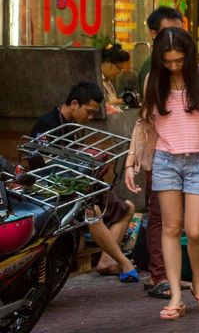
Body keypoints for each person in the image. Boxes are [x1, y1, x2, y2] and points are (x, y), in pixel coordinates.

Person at [124, 28, 199, 320]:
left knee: (195, 230)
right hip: (165, 160)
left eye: (178, 60)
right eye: (167, 61)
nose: (173, 66)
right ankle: (175, 295)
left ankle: (197, 282)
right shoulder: (153, 80)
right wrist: (131, 161)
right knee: (170, 228)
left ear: (189, 54)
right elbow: (143, 124)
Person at [32, 82, 139, 282]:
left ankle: (108, 260)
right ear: (74, 104)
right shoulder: (47, 124)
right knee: (92, 212)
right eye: (89, 112)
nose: (89, 118)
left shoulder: (73, 126)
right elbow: (41, 164)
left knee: (128, 207)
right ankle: (124, 262)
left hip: (78, 184)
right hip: (55, 191)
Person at [135, 6, 186, 300]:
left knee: (174, 218)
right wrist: (136, 157)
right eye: (169, 32)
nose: (175, 39)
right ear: (154, 35)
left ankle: (170, 273)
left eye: (179, 32)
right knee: (159, 215)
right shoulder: (151, 70)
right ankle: (160, 275)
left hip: (182, 152)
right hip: (160, 152)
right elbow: (144, 121)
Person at [100, 43, 133, 110]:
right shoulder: (96, 81)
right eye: (119, 68)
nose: (119, 72)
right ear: (108, 63)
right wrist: (121, 101)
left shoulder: (108, 81)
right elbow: (101, 107)